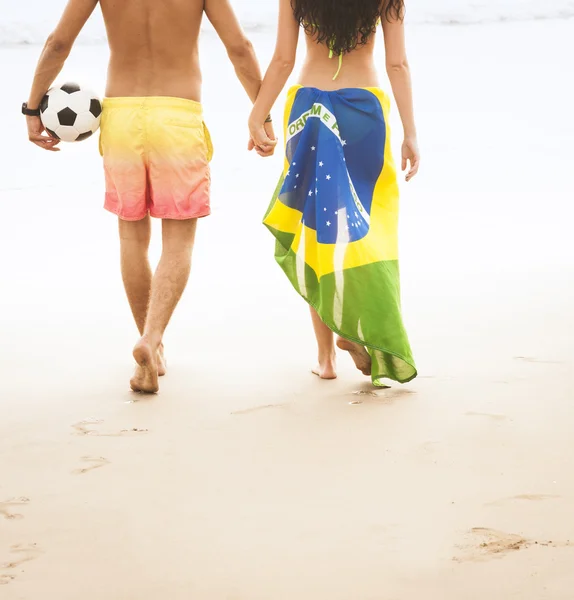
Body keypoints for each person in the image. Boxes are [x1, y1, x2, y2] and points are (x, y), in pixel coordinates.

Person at [24, 0, 275, 393]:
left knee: (131, 238)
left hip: (120, 115)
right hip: (177, 113)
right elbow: (239, 47)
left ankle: (151, 347)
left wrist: (32, 107)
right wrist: (262, 113)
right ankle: (152, 338)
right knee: (178, 242)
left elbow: (58, 43)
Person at [248, 0, 419, 386]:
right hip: (364, 109)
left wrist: (258, 112)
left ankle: (326, 359)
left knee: (317, 228)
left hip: (309, 109)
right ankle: (360, 331)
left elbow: (281, 60)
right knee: (369, 228)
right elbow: (397, 65)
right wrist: (410, 133)